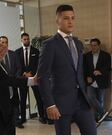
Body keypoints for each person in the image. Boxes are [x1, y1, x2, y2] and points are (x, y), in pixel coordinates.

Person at [37, 4, 96, 135]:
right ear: (57, 21)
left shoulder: (78, 43)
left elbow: (79, 71)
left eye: (73, 18)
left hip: (81, 101)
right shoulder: (50, 44)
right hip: (60, 103)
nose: (70, 21)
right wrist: (50, 104)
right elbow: (42, 76)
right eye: (66, 18)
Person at [15, 32, 45, 124]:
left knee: (38, 97)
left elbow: (38, 64)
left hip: (34, 77)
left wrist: (32, 73)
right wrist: (23, 73)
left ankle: (41, 116)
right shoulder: (17, 52)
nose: (27, 41)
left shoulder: (36, 51)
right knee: (23, 99)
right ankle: (23, 118)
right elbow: (17, 65)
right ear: (21, 40)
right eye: (25, 39)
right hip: (23, 78)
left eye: (28, 39)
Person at [0, 36, 24, 129]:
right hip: (3, 85)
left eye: (6, 42)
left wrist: (16, 78)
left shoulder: (13, 54)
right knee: (5, 103)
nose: (4, 44)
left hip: (13, 83)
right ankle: (6, 121)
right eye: (2, 42)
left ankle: (17, 121)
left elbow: (18, 67)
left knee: (15, 102)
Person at [84, 38, 111, 121]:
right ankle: (103, 114)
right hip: (90, 81)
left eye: (95, 45)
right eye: (91, 45)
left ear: (99, 46)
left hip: (102, 80)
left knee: (100, 100)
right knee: (90, 97)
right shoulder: (86, 56)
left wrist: (101, 72)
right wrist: (86, 77)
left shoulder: (106, 55)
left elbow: (109, 68)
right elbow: (83, 69)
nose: (93, 47)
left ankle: (97, 118)